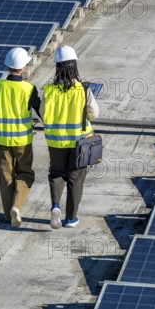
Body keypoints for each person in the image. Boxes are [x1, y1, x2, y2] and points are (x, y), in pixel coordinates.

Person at [40, 45, 99, 229]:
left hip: (56, 142)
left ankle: (55, 205)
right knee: (75, 178)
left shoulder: (49, 90)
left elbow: (43, 114)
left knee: (56, 174)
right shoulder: (83, 90)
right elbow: (94, 114)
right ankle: (71, 218)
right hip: (79, 143)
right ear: (75, 66)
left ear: (57, 66)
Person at [0, 47, 41, 227]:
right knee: (26, 173)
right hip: (22, 141)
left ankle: (8, 215)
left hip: (2, 140)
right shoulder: (29, 88)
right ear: (23, 67)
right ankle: (17, 206)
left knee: (6, 176)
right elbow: (40, 111)